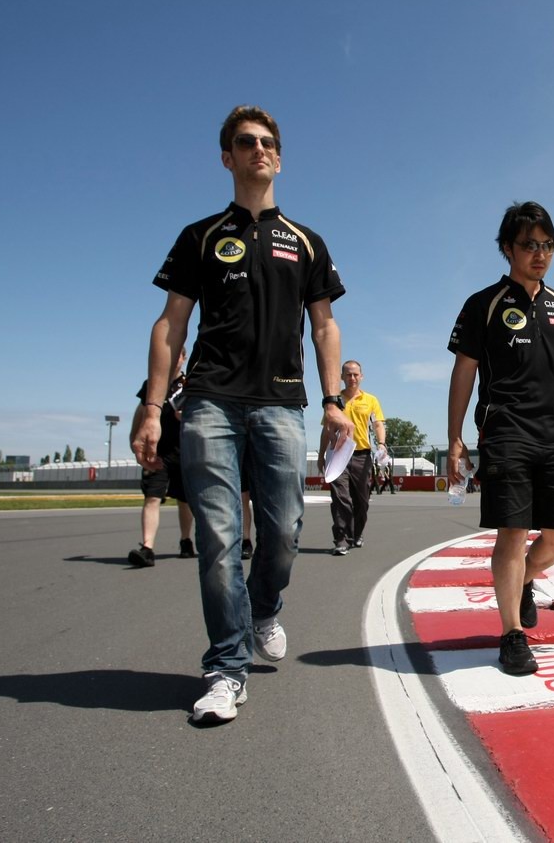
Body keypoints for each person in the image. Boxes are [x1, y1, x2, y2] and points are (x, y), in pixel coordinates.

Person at [132, 105, 352, 725]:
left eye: (268, 143)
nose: (259, 150)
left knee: (282, 530)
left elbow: (325, 325)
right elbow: (170, 323)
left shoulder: (307, 241)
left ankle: (264, 609)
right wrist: (153, 406)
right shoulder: (199, 236)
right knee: (221, 538)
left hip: (282, 404)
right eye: (245, 143)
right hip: (209, 402)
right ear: (226, 158)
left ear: (279, 157)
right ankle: (226, 667)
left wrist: (334, 401)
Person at [446, 201, 554, 676]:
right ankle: (512, 635)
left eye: (548, 245)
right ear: (507, 248)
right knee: (513, 530)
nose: (540, 253)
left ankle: (524, 579)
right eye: (530, 244)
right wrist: (455, 440)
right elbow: (463, 372)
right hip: (504, 431)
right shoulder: (482, 303)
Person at [128, 346, 194, 567]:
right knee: (152, 497)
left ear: (183, 359)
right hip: (158, 453)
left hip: (184, 452)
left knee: (184, 501)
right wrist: (134, 438)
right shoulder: (152, 384)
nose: (174, 359)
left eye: (178, 355)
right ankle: (147, 547)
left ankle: (186, 540)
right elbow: (141, 412)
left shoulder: (189, 385)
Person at [316, 361, 386, 555]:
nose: (352, 378)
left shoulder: (371, 400)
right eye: (348, 375)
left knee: (362, 501)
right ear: (342, 377)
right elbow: (326, 429)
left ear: (361, 376)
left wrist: (381, 443)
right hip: (338, 454)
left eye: (355, 374)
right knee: (340, 498)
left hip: (362, 455)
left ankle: (357, 532)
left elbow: (378, 424)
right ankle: (341, 539)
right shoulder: (334, 401)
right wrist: (321, 455)